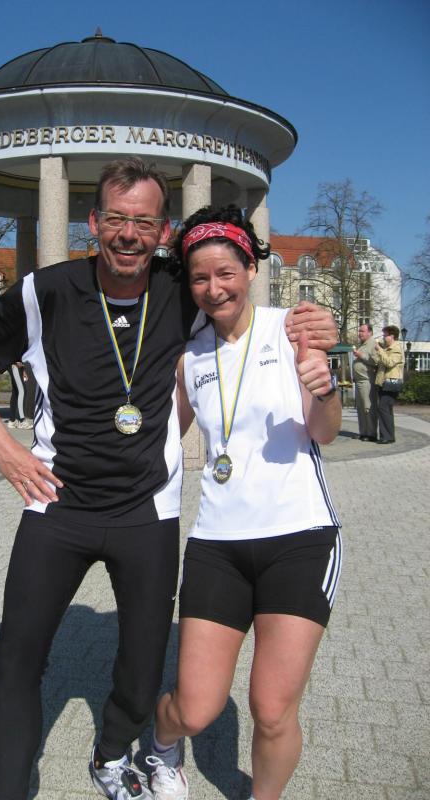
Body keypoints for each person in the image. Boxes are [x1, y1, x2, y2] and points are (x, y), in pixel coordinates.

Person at [0, 158, 338, 800]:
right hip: (57, 506)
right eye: (117, 219)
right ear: (93, 222)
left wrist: (316, 325)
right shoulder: (46, 291)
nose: (129, 234)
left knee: (142, 666)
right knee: (16, 661)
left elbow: (239, 301)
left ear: (163, 231)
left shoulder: (185, 290)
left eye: (145, 222)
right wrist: (1, 445)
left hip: (147, 512)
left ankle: (111, 755)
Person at [147, 205, 342, 800]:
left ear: (252, 269)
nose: (214, 289)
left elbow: (326, 431)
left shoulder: (294, 329)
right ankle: (160, 748)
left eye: (226, 273)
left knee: (272, 709)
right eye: (200, 278)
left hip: (300, 539)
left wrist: (326, 390)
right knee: (194, 708)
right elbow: (161, 440)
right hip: (217, 545)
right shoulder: (190, 356)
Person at [374, 325, 404, 444]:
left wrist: (380, 350)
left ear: (392, 336)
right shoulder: (387, 349)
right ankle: (387, 435)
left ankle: (387, 436)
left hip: (391, 382)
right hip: (384, 383)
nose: (384, 337)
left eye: (385, 335)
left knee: (383, 408)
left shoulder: (396, 349)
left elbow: (390, 363)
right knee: (385, 409)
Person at [352, 323, 378, 441]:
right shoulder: (362, 344)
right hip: (359, 381)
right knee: (361, 408)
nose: (360, 333)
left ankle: (371, 434)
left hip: (367, 380)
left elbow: (376, 361)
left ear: (370, 332)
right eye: (359, 331)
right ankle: (363, 432)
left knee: (368, 408)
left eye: (362, 331)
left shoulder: (373, 344)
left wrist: (361, 355)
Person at [6, 361, 32, 429]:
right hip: (14, 364)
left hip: (17, 365)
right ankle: (22, 421)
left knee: (16, 392)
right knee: (22, 391)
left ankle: (12, 421)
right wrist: (15, 361)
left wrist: (23, 370)